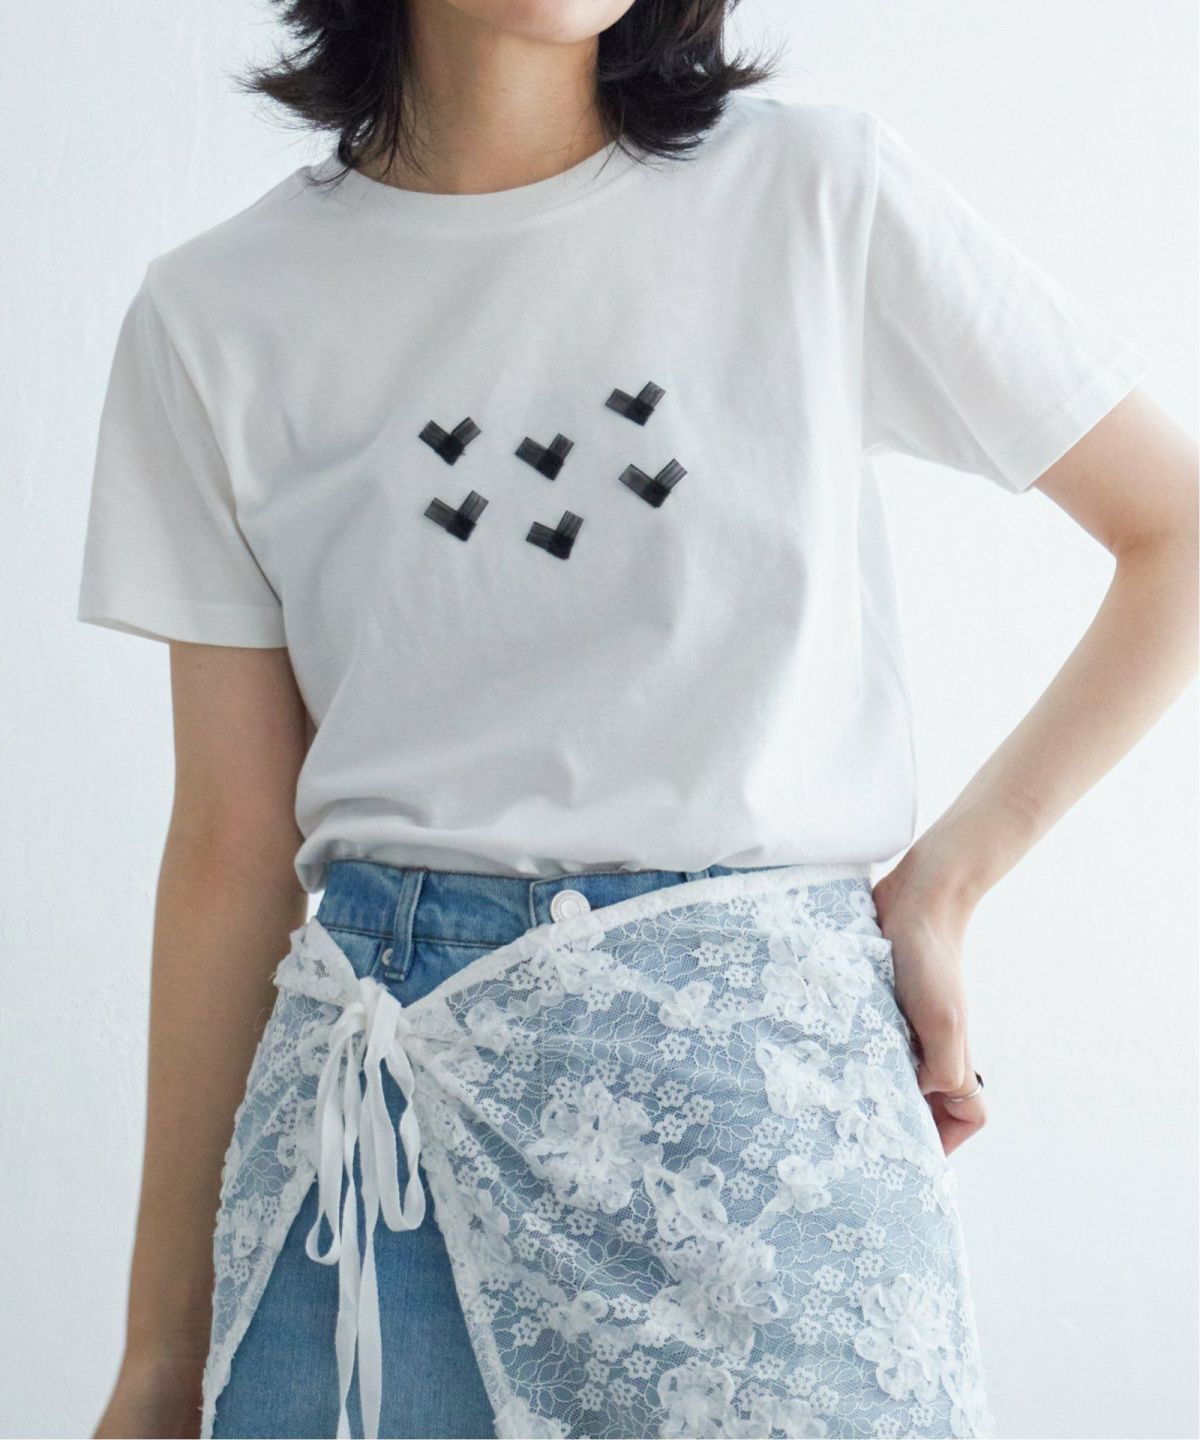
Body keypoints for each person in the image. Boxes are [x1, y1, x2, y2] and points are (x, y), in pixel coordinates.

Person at [76, 2, 1197, 1437]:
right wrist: (160, 1355)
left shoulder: (814, 194)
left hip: (757, 1138)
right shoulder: (217, 312)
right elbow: (232, 847)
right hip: (370, 1149)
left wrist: (945, 888)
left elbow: (1177, 532)